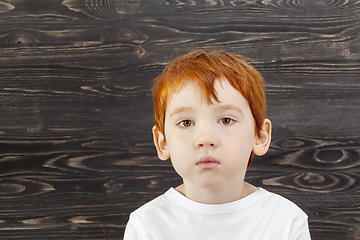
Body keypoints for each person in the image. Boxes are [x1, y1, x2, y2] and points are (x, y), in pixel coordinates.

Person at [123, 49, 311, 240]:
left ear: (260, 136)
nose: (205, 138)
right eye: (186, 123)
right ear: (162, 142)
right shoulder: (145, 226)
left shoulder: (286, 222)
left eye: (226, 120)